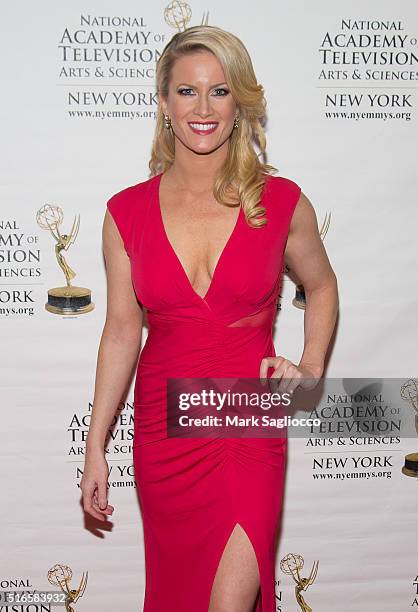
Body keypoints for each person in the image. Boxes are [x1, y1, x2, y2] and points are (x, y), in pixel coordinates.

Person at [81, 24, 338, 612]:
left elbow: (321, 286)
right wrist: (96, 446)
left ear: (239, 103)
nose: (203, 108)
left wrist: (313, 365)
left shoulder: (280, 202)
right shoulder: (125, 213)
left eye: (219, 92)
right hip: (164, 426)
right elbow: (122, 331)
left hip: (248, 414)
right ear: (164, 102)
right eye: (187, 91)